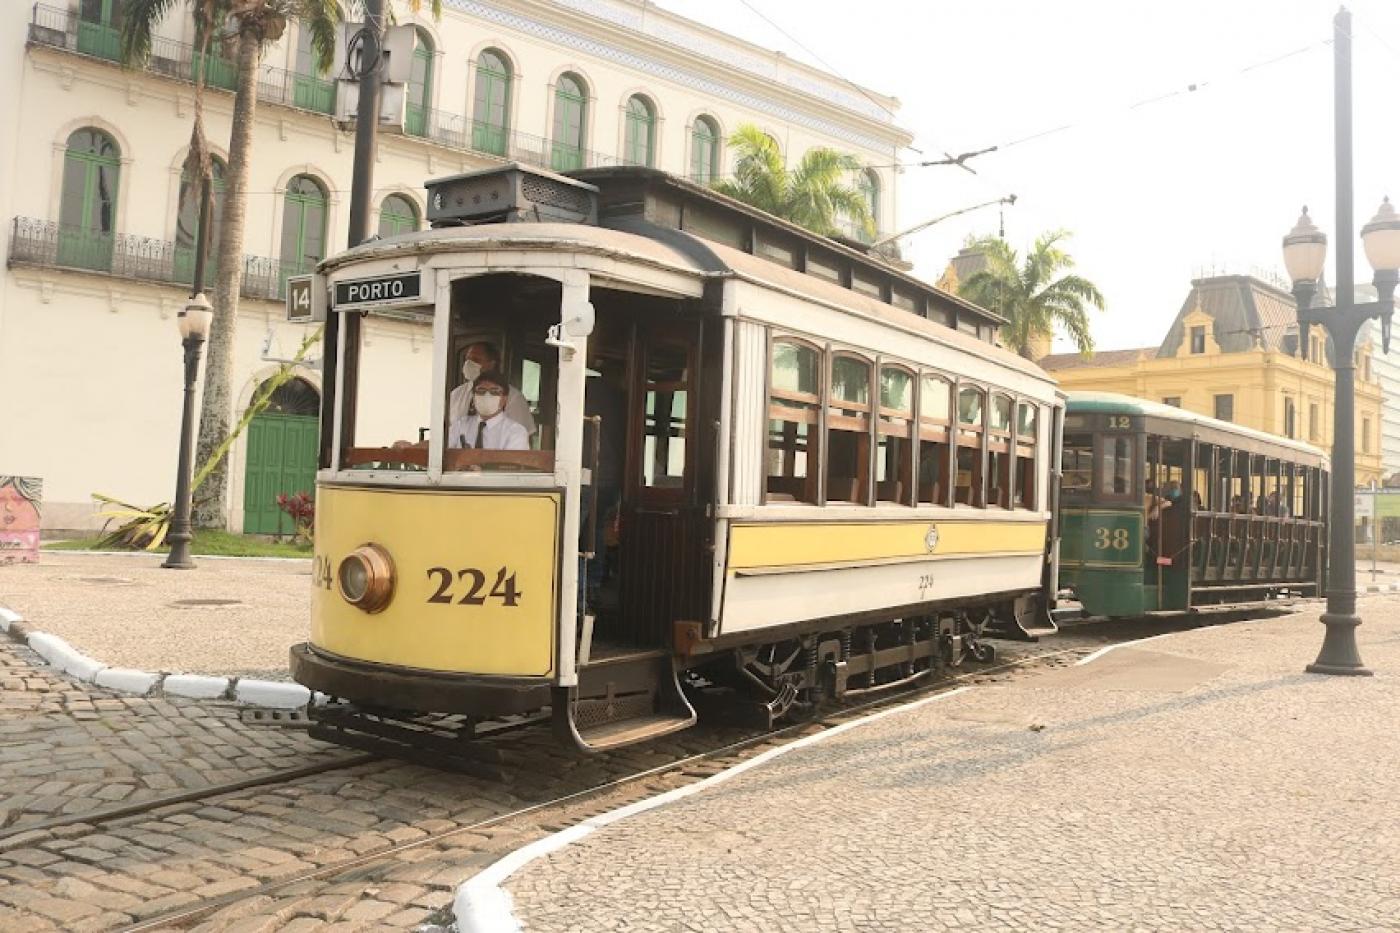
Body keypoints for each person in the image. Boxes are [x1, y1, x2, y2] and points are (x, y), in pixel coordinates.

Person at [448, 341, 537, 434]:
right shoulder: (456, 395)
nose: (469, 364)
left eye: (476, 359)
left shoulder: (513, 398)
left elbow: (523, 437)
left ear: (491, 364)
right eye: (467, 359)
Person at [448, 370, 530, 451]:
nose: (487, 396)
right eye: (481, 391)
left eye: (494, 392)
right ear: (473, 397)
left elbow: (511, 463)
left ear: (504, 399)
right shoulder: (460, 425)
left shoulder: (516, 432)